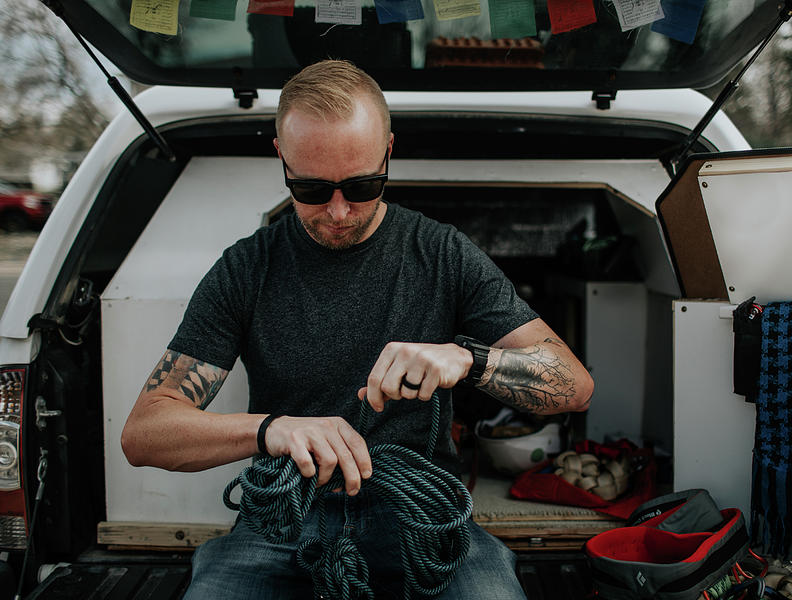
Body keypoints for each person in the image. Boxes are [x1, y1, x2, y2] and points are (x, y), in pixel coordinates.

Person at [120, 59, 594, 599]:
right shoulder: (247, 269)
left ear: (389, 151)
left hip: (421, 515)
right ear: (281, 157)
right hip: (283, 520)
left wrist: (469, 360)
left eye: (362, 184)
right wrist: (273, 428)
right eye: (313, 189)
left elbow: (574, 387)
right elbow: (144, 434)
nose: (340, 211)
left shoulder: (443, 255)